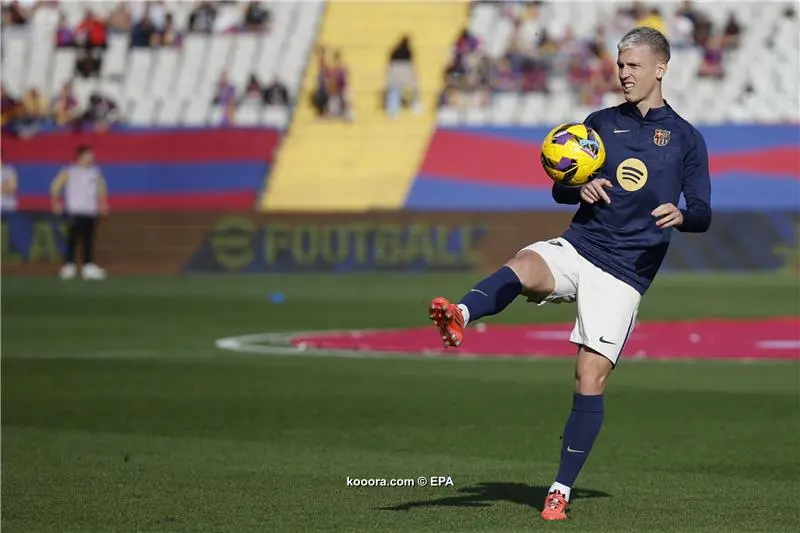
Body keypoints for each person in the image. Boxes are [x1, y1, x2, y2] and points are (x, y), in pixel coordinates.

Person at [428, 27, 711, 521]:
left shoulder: (685, 137)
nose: (623, 74)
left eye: (634, 66)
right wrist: (578, 189)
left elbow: (704, 211)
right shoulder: (600, 122)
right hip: (582, 244)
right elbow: (562, 184)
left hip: (625, 272)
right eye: (620, 65)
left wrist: (683, 216)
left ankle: (559, 490)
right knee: (523, 265)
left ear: (661, 68)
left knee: (588, 377)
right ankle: (461, 313)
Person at [50, 145, 109, 280]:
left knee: (88, 240)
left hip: (90, 211)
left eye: (92, 156)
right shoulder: (69, 171)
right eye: (88, 156)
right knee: (72, 239)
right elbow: (55, 186)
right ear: (80, 157)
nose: (91, 158)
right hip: (74, 211)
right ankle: (69, 266)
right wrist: (55, 202)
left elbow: (101, 189)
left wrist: (103, 203)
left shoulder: (95, 172)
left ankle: (88, 266)